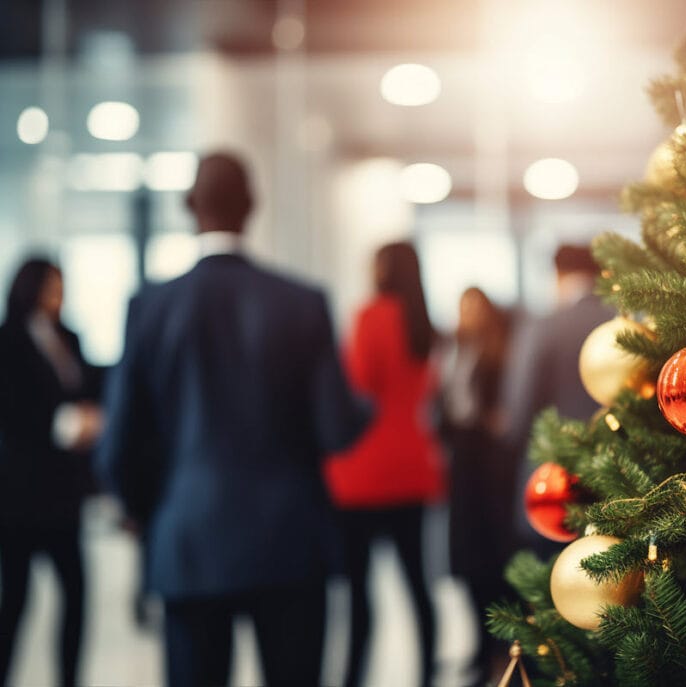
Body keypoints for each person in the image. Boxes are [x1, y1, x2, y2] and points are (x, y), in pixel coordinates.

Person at [96, 152, 370, 687]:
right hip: (290, 539)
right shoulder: (302, 302)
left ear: (188, 207)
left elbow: (119, 441)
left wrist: (144, 511)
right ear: (253, 207)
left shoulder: (150, 306)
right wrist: (368, 407)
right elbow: (336, 427)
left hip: (189, 536)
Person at [323, 241, 445, 687]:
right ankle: (428, 673)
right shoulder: (424, 326)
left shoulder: (369, 316)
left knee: (359, 590)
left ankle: (353, 676)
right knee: (418, 583)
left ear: (383, 270)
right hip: (413, 465)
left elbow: (357, 388)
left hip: (362, 472)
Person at [0, 257, 103, 687]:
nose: (56, 297)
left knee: (77, 594)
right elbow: (12, 411)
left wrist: (91, 420)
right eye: (49, 288)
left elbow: (92, 389)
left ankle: (69, 678)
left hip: (63, 492)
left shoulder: (70, 339)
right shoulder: (7, 343)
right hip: (21, 495)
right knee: (16, 600)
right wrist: (60, 425)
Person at [500, 244, 611, 554]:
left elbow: (520, 407)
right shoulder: (619, 323)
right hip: (616, 473)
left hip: (555, 476)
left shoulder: (543, 328)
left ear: (558, 274)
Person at [439, 287, 511, 686]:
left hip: (488, 463)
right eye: (462, 306)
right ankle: (479, 645)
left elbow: (502, 411)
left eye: (474, 306)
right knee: (465, 558)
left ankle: (498, 649)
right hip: (461, 459)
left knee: (489, 557)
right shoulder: (454, 349)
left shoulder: (499, 351)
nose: (467, 314)